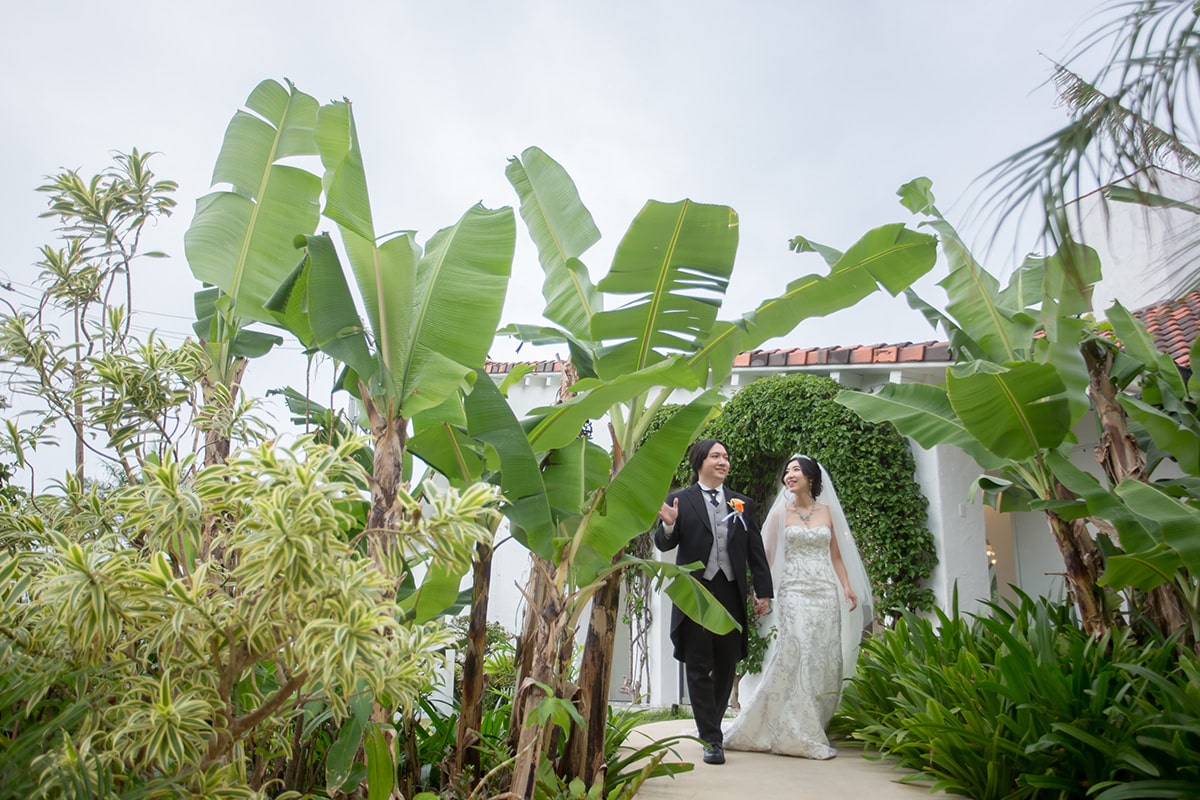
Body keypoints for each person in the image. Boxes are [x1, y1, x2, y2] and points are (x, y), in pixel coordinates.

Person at [723, 454, 872, 760]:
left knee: (821, 655)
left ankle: (809, 722)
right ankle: (793, 731)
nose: (789, 475)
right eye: (787, 471)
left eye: (796, 470)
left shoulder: (827, 512)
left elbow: (836, 556)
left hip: (825, 591)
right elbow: (766, 555)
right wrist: (761, 592)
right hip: (793, 590)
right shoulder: (781, 513)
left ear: (811, 478)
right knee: (797, 648)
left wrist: (846, 586)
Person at [653, 438, 774, 766]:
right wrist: (668, 524)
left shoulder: (742, 503)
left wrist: (763, 591)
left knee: (726, 662)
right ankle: (711, 738)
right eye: (716, 456)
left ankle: (711, 725)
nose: (723, 461)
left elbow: (755, 551)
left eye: (725, 456)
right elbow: (665, 544)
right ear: (699, 462)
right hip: (695, 592)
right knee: (697, 663)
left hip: (730, 591)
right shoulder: (679, 499)